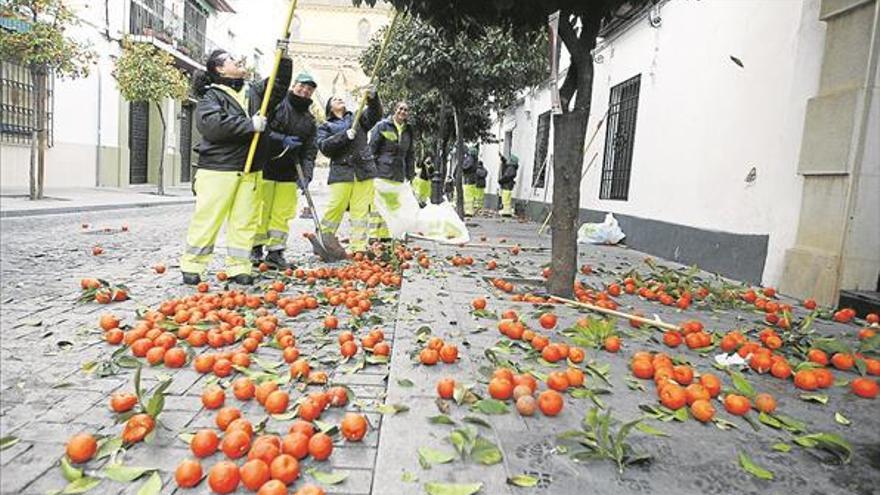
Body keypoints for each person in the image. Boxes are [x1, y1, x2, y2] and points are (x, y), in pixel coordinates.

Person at [180, 49, 292, 285]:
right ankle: (192, 265)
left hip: (250, 169)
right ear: (219, 68)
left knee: (245, 220)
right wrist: (248, 124)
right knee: (208, 217)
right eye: (232, 58)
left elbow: (279, 86)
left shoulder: (254, 91)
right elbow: (212, 126)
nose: (239, 59)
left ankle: (239, 266)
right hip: (218, 168)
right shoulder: (211, 97)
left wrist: (284, 57)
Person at [251, 72, 318, 269]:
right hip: (266, 165)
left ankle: (276, 251)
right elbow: (264, 129)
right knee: (261, 209)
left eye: (309, 89)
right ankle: (255, 248)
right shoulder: (278, 104)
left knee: (282, 213)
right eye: (302, 86)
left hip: (290, 171)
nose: (304, 91)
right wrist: (281, 139)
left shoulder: (309, 120)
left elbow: (310, 151)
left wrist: (306, 176)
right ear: (294, 85)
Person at [316, 88, 382, 253]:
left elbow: (374, 115)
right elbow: (325, 147)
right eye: (335, 99)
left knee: (360, 210)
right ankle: (324, 240)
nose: (340, 99)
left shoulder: (357, 118)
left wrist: (373, 100)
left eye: (341, 98)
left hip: (363, 170)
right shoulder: (326, 126)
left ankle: (358, 246)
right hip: (341, 171)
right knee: (336, 206)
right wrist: (344, 136)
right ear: (330, 108)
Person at [369, 100, 415, 241]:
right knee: (378, 206)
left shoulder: (408, 130)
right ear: (395, 110)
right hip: (381, 172)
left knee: (393, 206)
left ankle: (385, 236)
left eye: (406, 110)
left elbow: (410, 154)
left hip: (398, 174)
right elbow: (371, 149)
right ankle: (373, 236)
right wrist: (371, 170)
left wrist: (410, 174)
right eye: (400, 109)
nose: (403, 112)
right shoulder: (382, 126)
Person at [461, 146, 478, 216]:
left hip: (468, 179)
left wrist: (462, 166)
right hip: (472, 179)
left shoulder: (470, 159)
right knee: (470, 195)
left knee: (467, 195)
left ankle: (468, 210)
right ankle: (469, 210)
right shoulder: (475, 159)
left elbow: (466, 166)